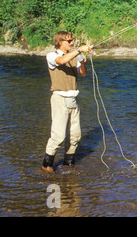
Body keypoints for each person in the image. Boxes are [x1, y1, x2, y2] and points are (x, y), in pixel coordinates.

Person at [42, 31, 93, 173]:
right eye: (69, 41)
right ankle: (47, 164)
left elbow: (83, 73)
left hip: (73, 100)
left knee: (75, 136)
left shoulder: (73, 57)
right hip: (59, 100)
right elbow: (62, 61)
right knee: (58, 136)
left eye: (72, 41)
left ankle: (68, 163)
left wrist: (82, 62)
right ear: (60, 42)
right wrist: (79, 50)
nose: (71, 43)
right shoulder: (52, 56)